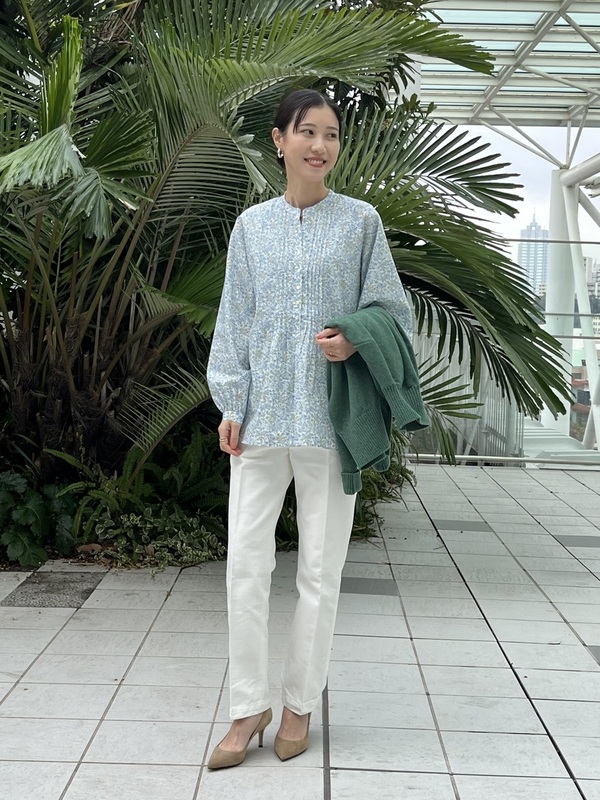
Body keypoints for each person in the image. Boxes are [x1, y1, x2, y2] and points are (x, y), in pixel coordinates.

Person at [206, 88, 413, 770]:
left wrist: (354, 340)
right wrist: (230, 403)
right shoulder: (251, 227)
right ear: (279, 139)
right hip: (261, 420)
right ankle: (248, 708)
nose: (320, 146)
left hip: (330, 422)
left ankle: (298, 704)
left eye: (331, 135)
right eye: (308, 132)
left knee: (320, 573)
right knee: (245, 567)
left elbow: (393, 312)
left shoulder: (360, 223)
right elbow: (234, 320)